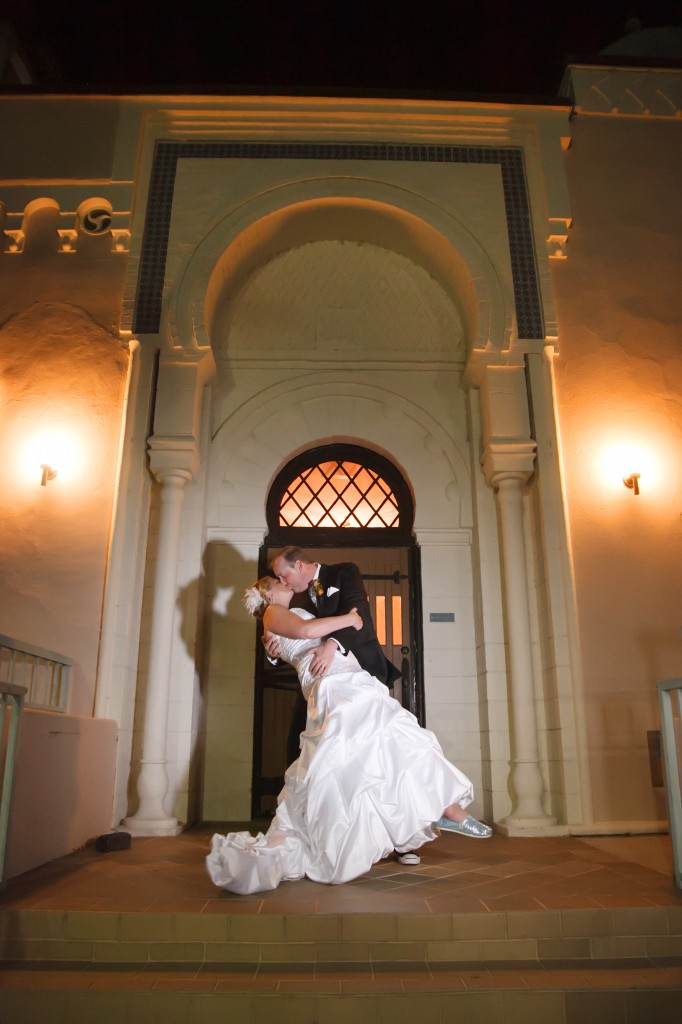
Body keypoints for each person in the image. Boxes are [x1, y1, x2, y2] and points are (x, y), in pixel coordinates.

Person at [205, 576, 492, 896]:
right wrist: (349, 618)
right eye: (277, 580)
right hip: (334, 685)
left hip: (341, 679)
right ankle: (434, 811)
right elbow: (307, 632)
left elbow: (294, 638)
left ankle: (441, 807)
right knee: (372, 743)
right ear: (269, 593)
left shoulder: (279, 617)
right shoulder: (274, 613)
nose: (285, 581)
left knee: (380, 744)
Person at [267, 546, 419, 864]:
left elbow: (357, 612)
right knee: (317, 761)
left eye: (284, 573)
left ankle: (404, 839)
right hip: (317, 689)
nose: (281, 579)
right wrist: (271, 647)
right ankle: (327, 835)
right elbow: (288, 635)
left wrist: (332, 647)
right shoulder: (288, 597)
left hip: (357, 675)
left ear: (299, 565)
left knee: (379, 755)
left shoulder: (343, 572)